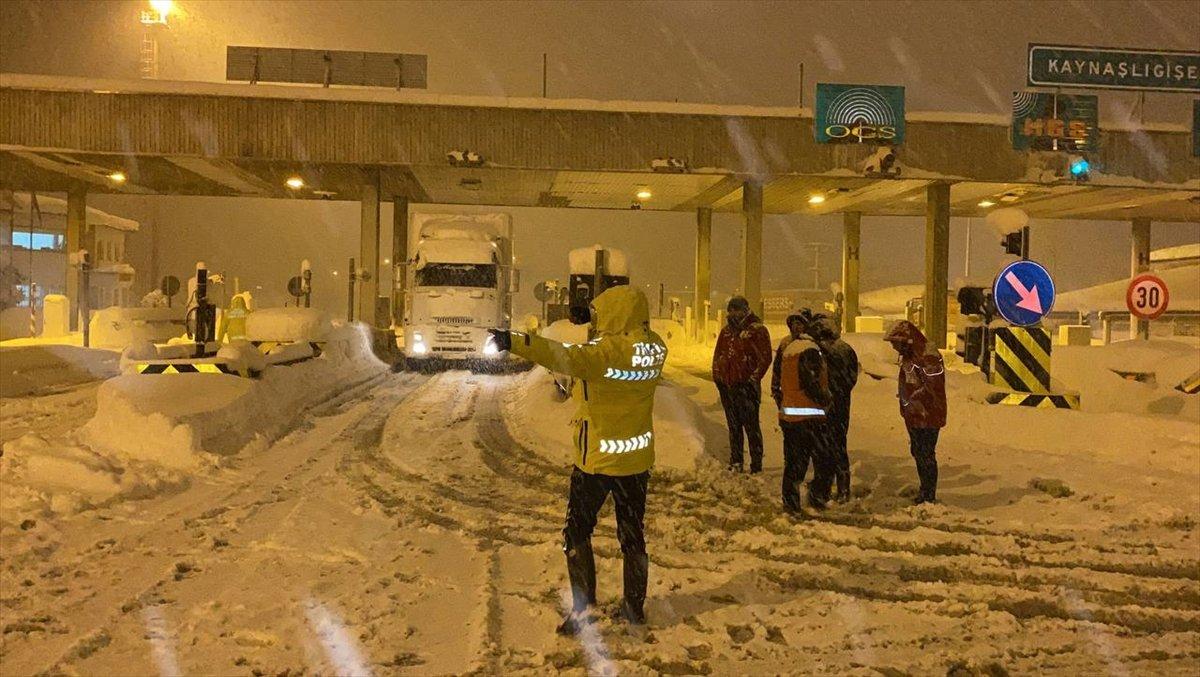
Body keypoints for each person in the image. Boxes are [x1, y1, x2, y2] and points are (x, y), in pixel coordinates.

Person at [488, 285, 667, 633]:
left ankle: (583, 609)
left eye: (601, 316)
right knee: (633, 536)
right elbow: (619, 338)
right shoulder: (654, 348)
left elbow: (561, 355)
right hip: (635, 459)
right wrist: (595, 317)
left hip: (598, 460)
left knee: (577, 531)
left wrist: (514, 340)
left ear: (614, 316)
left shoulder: (602, 355)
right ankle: (634, 607)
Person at [770, 310, 832, 514]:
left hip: (790, 416)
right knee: (823, 460)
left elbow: (781, 379)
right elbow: (811, 383)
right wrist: (826, 399)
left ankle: (790, 501)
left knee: (794, 462)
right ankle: (816, 497)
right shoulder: (810, 350)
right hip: (810, 416)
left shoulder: (790, 349)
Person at [884, 320, 947, 505]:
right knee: (919, 452)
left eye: (895, 343)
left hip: (927, 416)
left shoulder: (927, 357)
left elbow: (933, 387)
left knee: (926, 454)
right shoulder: (910, 356)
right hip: (916, 415)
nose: (894, 348)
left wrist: (913, 400)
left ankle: (928, 495)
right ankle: (925, 491)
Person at [711, 296, 772, 473]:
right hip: (728, 386)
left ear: (746, 310)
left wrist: (753, 378)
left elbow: (765, 357)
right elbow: (718, 356)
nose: (733, 313)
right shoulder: (726, 332)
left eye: (737, 309)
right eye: (731, 310)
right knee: (734, 426)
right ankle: (736, 461)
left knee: (751, 426)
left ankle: (756, 464)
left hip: (747, 386)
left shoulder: (757, 330)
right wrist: (718, 378)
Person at [809, 314, 859, 502]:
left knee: (824, 448)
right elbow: (851, 379)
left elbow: (815, 378)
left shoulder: (822, 351)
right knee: (838, 446)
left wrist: (826, 394)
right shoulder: (846, 350)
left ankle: (825, 487)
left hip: (826, 406)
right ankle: (843, 488)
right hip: (841, 405)